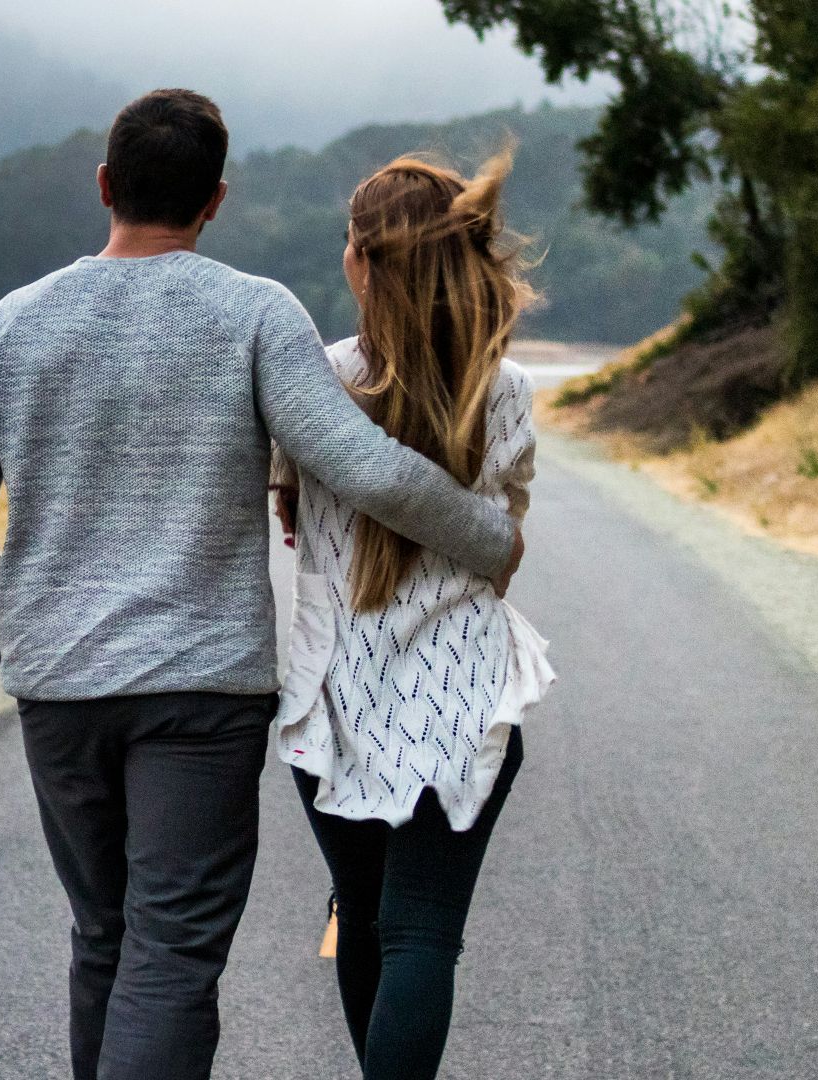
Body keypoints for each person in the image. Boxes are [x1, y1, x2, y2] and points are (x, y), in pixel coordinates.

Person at [0, 89, 523, 1080]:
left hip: (58, 693)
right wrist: (490, 537)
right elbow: (364, 468)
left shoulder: (11, 324)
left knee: (103, 941)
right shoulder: (252, 312)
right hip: (199, 703)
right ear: (216, 201)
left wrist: (13, 637)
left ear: (106, 185)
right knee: (169, 959)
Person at [270, 149, 556, 1080]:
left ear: (360, 260)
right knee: (422, 935)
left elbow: (282, 512)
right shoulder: (502, 389)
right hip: (464, 698)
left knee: (362, 918)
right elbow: (507, 531)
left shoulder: (313, 382)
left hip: (335, 703)